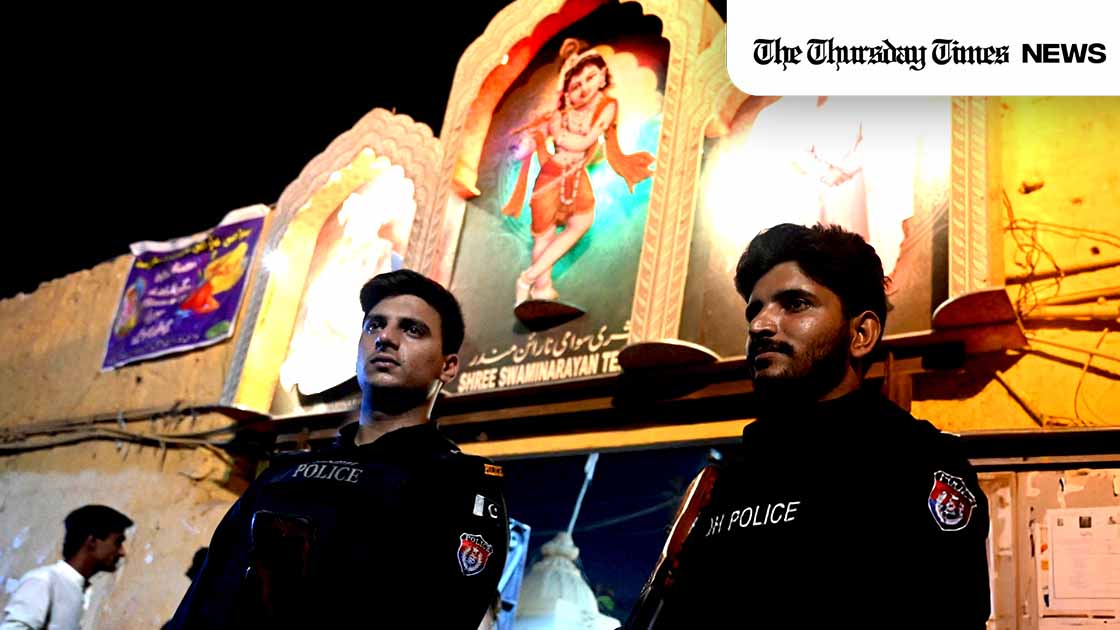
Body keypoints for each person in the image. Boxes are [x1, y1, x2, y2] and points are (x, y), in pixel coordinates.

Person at [641, 224, 990, 628]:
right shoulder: (727, 478)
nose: (760, 326)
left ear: (860, 334)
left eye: (794, 304)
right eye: (755, 310)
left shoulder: (914, 460)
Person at [168, 270, 510, 629]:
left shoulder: (458, 485)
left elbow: (447, 614)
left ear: (448, 365)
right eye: (375, 326)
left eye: (412, 330)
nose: (386, 339)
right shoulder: (284, 475)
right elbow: (206, 600)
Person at [502, 38, 655, 305]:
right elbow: (569, 144)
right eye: (575, 85)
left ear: (603, 76)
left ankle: (529, 278)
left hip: (575, 177)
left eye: (590, 77)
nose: (583, 87)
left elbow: (584, 142)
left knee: (581, 222)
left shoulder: (607, 106)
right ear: (566, 93)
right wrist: (545, 133)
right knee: (544, 234)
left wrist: (560, 129)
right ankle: (540, 288)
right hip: (552, 176)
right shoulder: (560, 115)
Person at [1, 505, 132, 630]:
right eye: (118, 542)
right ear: (92, 541)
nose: (122, 552)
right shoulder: (44, 581)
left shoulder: (79, 589)